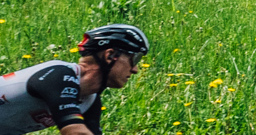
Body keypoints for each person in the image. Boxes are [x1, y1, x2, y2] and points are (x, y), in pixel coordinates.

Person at [0, 24, 148, 135]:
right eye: (134, 59)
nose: (135, 69)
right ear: (110, 55)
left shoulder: (90, 101)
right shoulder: (59, 74)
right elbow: (74, 131)